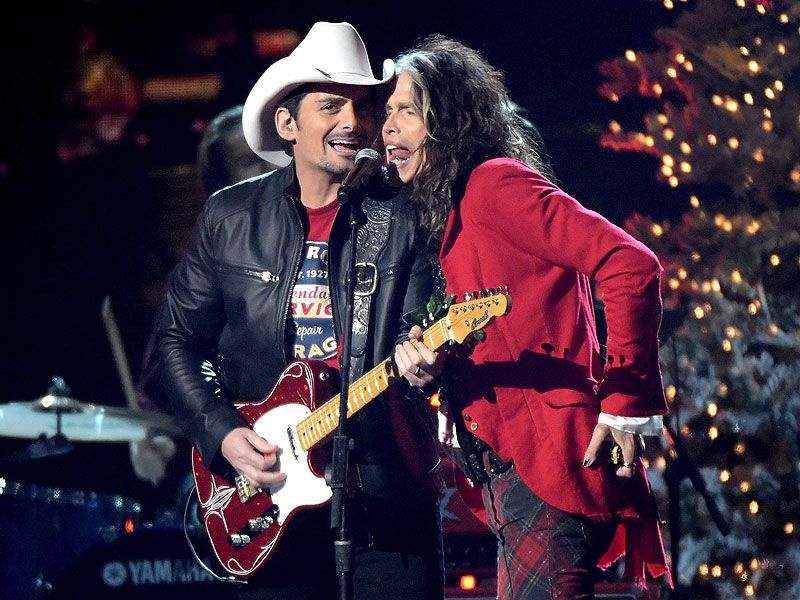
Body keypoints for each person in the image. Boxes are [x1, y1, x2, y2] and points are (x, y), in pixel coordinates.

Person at [156, 22, 445, 599]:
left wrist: (425, 367)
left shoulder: (406, 215)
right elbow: (177, 341)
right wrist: (225, 434)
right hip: (269, 496)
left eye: (363, 107)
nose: (353, 123)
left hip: (384, 500)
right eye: (331, 105)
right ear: (287, 124)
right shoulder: (229, 218)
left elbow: (420, 327)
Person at [382, 35, 672, 599]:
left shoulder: (494, 185)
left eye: (406, 112)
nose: (388, 128)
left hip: (550, 466)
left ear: (448, 121)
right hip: (512, 477)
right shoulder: (449, 214)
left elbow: (630, 264)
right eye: (386, 113)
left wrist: (625, 404)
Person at [130, 104, 276, 490]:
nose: (265, 170)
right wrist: (153, 437)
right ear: (222, 182)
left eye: (269, 155)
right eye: (248, 161)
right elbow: (167, 364)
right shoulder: (205, 268)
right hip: (237, 458)